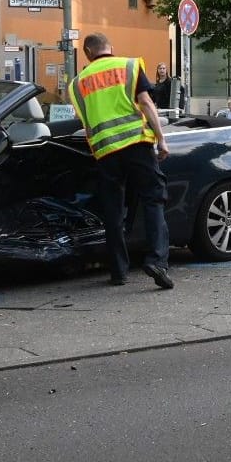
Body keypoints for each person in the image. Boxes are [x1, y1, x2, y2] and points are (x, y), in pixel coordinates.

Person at [70, 33, 175, 290]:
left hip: (105, 153)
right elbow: (146, 103)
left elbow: (85, 122)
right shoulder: (128, 66)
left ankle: (118, 271)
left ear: (87, 54)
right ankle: (157, 261)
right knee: (153, 198)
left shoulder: (77, 83)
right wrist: (161, 139)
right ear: (111, 48)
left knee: (113, 211)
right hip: (137, 144)